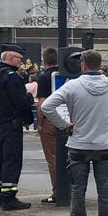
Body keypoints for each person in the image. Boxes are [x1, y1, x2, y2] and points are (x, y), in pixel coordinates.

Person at [41, 50, 108, 216]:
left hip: (78, 144)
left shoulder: (73, 85)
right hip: (104, 144)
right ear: (100, 65)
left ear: (83, 65)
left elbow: (47, 106)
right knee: (105, 190)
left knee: (78, 189)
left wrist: (64, 124)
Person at [0, 44, 34, 210]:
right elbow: (20, 102)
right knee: (12, 159)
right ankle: (9, 198)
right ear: (11, 58)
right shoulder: (12, 77)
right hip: (12, 121)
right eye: (20, 59)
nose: (22, 62)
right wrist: (28, 118)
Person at [36, 48, 60, 204]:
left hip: (50, 120)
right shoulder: (65, 74)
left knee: (52, 158)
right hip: (68, 118)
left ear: (44, 61)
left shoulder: (45, 77)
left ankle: (57, 191)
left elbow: (42, 103)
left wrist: (39, 123)